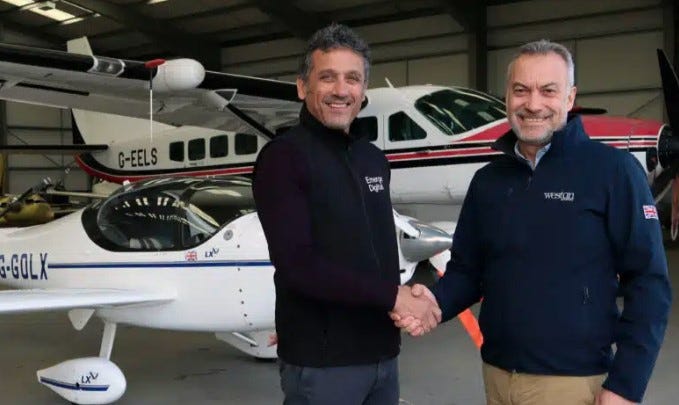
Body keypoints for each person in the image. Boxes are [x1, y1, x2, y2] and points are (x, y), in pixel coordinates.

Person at [392, 39, 672, 405]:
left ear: (570, 98)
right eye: (521, 90)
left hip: (573, 384)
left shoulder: (614, 172)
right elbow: (468, 271)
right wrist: (434, 302)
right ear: (507, 97)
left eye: (548, 90)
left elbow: (649, 283)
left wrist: (625, 385)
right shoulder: (489, 181)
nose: (533, 104)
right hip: (497, 377)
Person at [253, 23, 440, 405]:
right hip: (324, 364)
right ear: (302, 87)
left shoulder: (372, 159)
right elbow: (298, 265)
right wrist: (394, 297)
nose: (341, 90)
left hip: (383, 354)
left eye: (352, 79)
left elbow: (376, 253)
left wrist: (409, 301)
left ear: (363, 89)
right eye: (328, 77)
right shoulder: (283, 158)